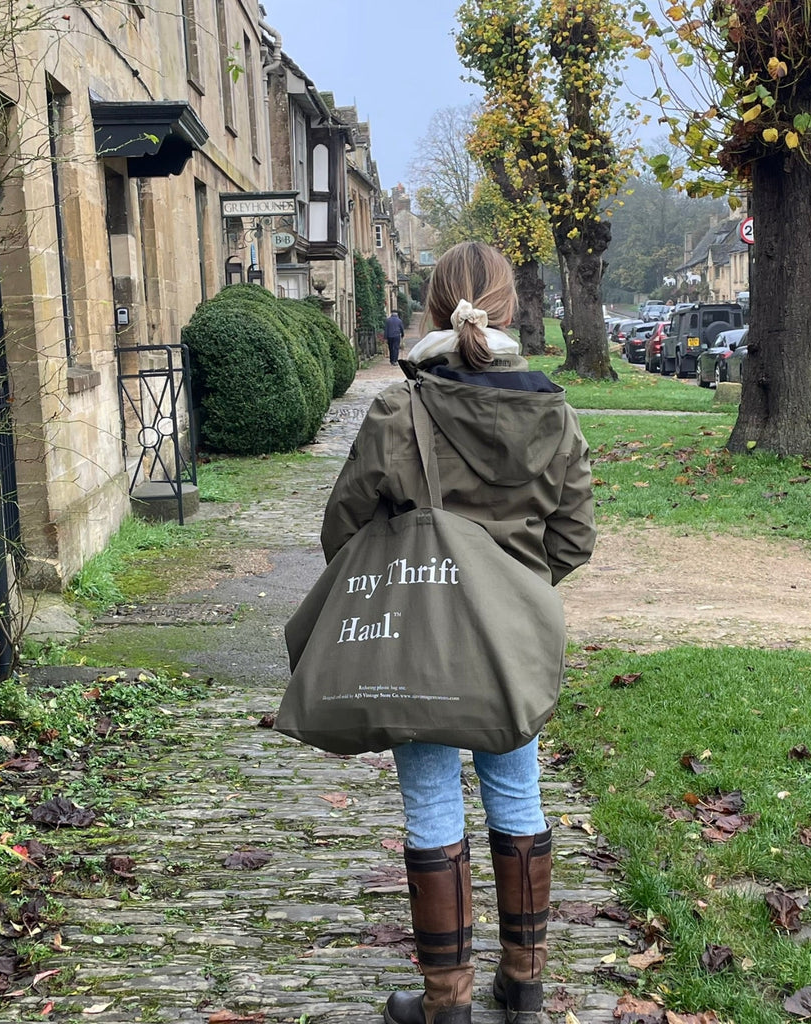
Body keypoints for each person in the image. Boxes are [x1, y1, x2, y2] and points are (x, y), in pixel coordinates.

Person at [320, 241, 596, 1024]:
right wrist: (517, 596)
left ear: (432, 309)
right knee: (519, 795)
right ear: (510, 311)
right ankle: (525, 991)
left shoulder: (401, 413)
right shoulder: (554, 414)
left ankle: (447, 1005)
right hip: (511, 653)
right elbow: (574, 540)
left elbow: (342, 530)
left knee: (433, 805)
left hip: (421, 641)